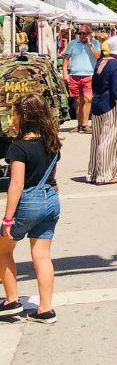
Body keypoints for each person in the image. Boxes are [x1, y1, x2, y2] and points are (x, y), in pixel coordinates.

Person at [0, 95, 62, 324]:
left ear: (23, 117)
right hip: (51, 201)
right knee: (42, 255)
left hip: (28, 203)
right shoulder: (51, 142)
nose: (11, 119)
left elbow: (16, 184)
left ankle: (12, 300)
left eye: (13, 114)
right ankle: (45, 309)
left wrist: (8, 219)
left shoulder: (19, 148)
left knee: (2, 250)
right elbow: (53, 175)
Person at [89, 36, 117, 185]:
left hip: (97, 105)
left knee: (97, 140)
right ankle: (104, 175)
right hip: (110, 106)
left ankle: (94, 173)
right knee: (110, 141)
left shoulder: (101, 62)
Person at [63, 25, 101, 135]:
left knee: (88, 99)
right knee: (78, 101)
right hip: (75, 75)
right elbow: (66, 59)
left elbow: (97, 56)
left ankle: (85, 125)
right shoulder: (73, 43)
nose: (82, 35)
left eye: (85, 33)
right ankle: (79, 124)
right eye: (80, 33)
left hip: (89, 75)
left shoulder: (95, 43)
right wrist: (65, 73)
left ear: (90, 34)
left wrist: (90, 45)